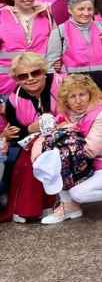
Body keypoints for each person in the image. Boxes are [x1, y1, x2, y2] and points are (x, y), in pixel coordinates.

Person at [41, 74, 102, 224]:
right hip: (93, 165)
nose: (78, 101)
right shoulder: (69, 114)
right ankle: (70, 206)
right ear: (65, 100)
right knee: (53, 159)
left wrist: (65, 134)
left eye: (82, 94)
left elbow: (89, 151)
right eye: (72, 96)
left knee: (79, 192)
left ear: (91, 94)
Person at [0, 53, 59, 223]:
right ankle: (30, 209)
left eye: (36, 73)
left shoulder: (61, 84)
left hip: (67, 136)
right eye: (23, 76)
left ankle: (53, 204)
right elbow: (15, 133)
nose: (30, 79)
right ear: (16, 79)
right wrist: (30, 128)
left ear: (43, 71)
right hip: (32, 142)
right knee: (26, 162)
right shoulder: (14, 99)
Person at [47, 0, 102, 103]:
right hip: (75, 88)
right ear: (70, 10)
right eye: (81, 9)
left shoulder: (101, 27)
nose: (86, 13)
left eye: (89, 9)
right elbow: (50, 65)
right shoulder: (60, 32)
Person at [0, 0, 53, 95]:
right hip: (7, 84)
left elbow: (56, 48)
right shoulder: (1, 16)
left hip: (39, 83)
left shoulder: (46, 17)